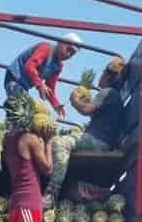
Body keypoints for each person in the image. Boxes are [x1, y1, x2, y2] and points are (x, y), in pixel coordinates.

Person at [46, 57, 127, 204]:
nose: (100, 76)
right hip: (103, 141)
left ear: (110, 76)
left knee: (60, 143)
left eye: (103, 72)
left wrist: (74, 99)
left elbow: (86, 110)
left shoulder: (108, 92)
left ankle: (52, 193)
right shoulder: (115, 97)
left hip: (98, 141)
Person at [4, 34, 82, 119]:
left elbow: (50, 87)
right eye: (68, 49)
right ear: (60, 43)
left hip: (24, 87)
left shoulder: (58, 66)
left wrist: (56, 104)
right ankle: (12, 127)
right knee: (24, 112)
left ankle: (12, 126)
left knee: (26, 111)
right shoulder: (46, 48)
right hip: (14, 78)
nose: (68, 54)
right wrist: (40, 85)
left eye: (72, 54)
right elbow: (29, 66)